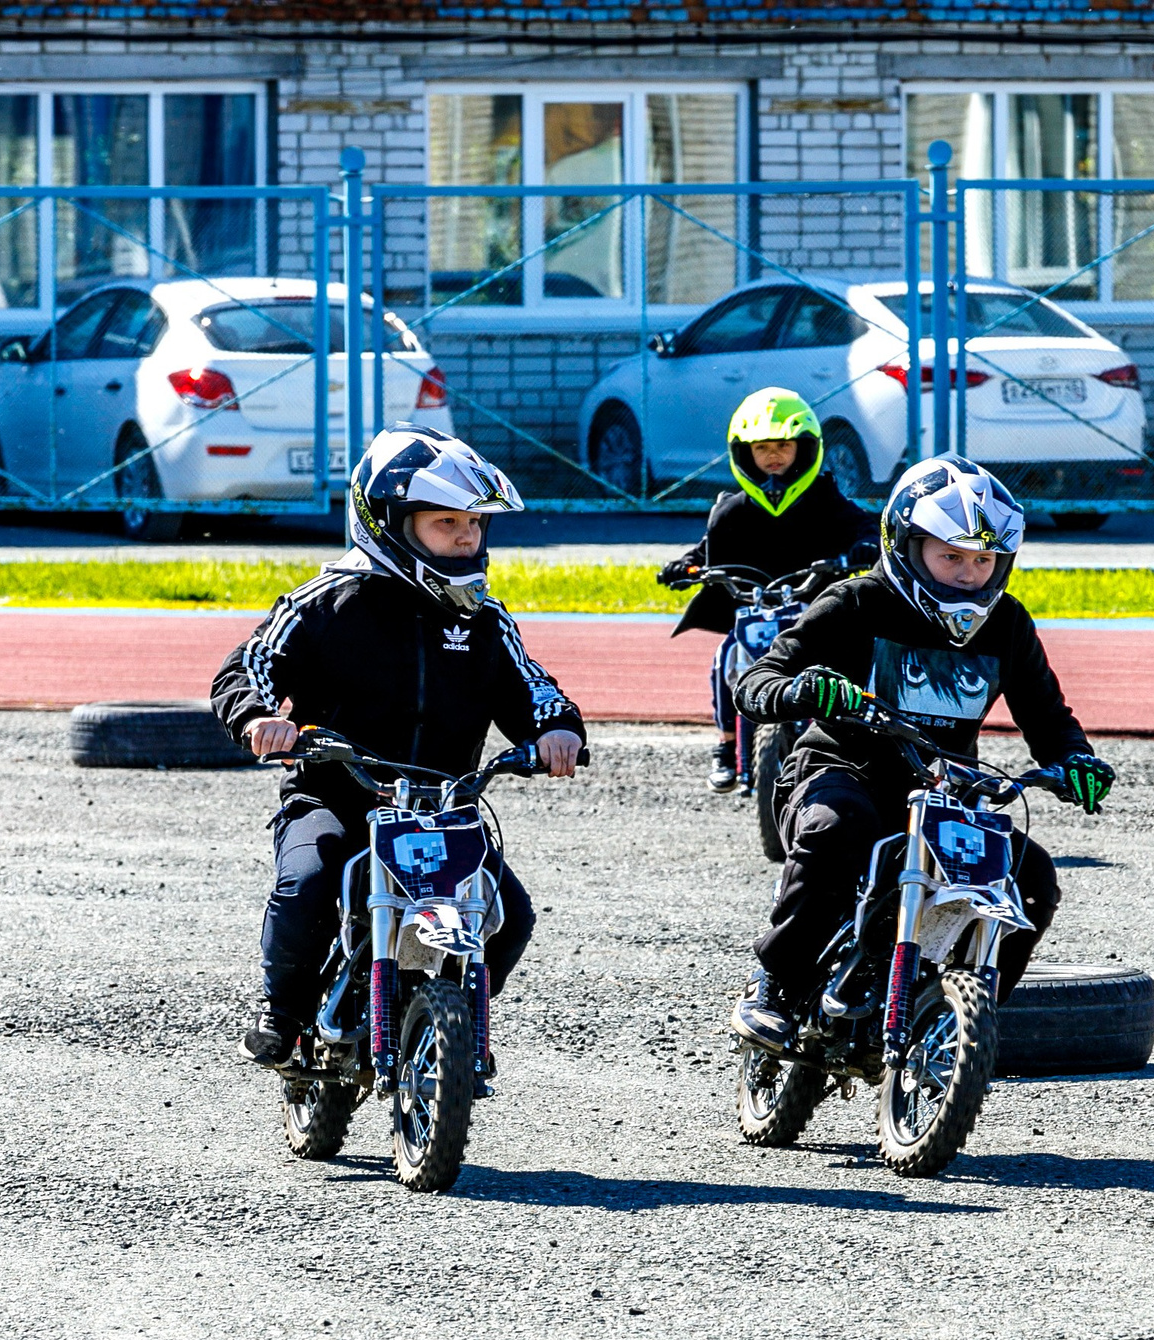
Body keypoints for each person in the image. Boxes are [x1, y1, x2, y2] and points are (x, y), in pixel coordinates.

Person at [212, 426, 587, 1067]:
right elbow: (248, 665)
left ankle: (454, 1026)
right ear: (389, 522)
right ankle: (284, 1015)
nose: (467, 538)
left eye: (475, 524)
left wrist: (557, 730)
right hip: (336, 794)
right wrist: (259, 719)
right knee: (307, 882)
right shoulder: (327, 604)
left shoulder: (484, 621)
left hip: (443, 808)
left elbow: (533, 689)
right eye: (447, 523)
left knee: (510, 914)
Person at [725, 452, 1117, 1052]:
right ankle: (774, 982)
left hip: (942, 793)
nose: (967, 573)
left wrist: (1076, 761)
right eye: (951, 555)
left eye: (983, 559)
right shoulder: (855, 603)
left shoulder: (1007, 623)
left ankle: (954, 1029)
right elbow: (755, 682)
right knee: (838, 829)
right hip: (838, 769)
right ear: (906, 544)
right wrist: (803, 689)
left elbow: (1049, 718)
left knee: (1033, 878)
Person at [655, 388, 878, 792]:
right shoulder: (732, 509)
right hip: (752, 609)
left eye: (783, 445)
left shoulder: (825, 499)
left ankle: (848, 737)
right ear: (745, 453)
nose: (773, 455)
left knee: (847, 661)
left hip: (815, 609)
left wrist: (866, 546)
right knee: (726, 658)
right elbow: (707, 549)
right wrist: (685, 567)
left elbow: (862, 525)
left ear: (805, 449)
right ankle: (725, 745)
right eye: (762, 448)